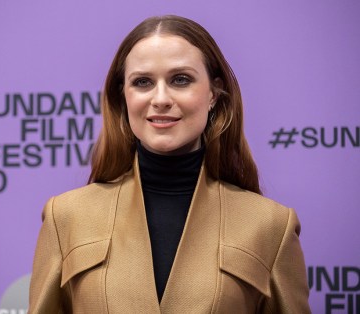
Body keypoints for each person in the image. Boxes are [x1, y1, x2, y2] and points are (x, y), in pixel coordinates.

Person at [29, 15, 311, 313]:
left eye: (180, 79)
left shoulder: (271, 226)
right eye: (142, 82)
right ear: (122, 96)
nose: (160, 98)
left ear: (214, 93)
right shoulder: (66, 217)